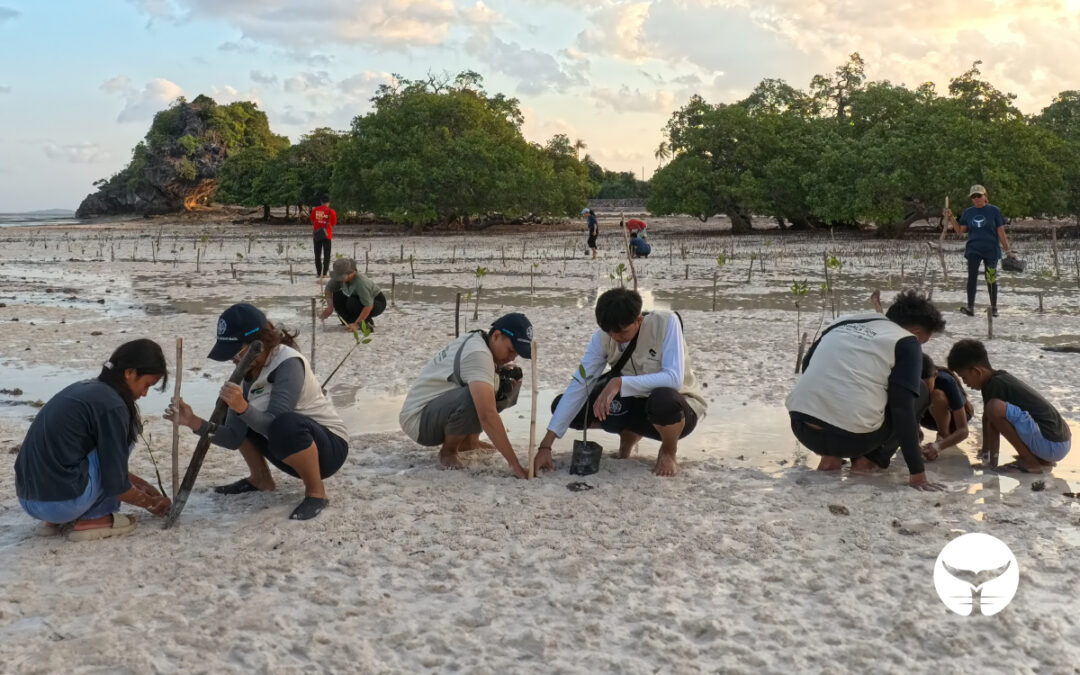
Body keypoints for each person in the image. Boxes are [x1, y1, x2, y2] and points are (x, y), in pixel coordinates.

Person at [166, 303, 350, 520]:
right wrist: (193, 422)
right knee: (228, 408)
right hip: (287, 450)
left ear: (258, 344)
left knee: (284, 422)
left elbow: (276, 425)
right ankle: (260, 479)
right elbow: (234, 438)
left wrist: (243, 407)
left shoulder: (287, 362)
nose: (234, 360)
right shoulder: (247, 372)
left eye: (237, 352)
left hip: (327, 450)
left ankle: (316, 492)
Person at [535, 288, 707, 477]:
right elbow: (580, 385)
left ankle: (668, 450)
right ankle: (628, 437)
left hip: (678, 410)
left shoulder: (666, 323)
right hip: (634, 406)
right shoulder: (602, 338)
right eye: (609, 332)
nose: (615, 337)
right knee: (565, 406)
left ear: (639, 320)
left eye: (622, 332)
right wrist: (546, 445)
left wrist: (620, 383)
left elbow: (673, 378)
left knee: (663, 398)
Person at [786, 290, 947, 491]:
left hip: (802, 427)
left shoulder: (842, 323)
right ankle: (867, 463)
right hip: (852, 440)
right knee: (920, 391)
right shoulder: (907, 341)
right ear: (915, 333)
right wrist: (917, 473)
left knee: (846, 385)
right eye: (924, 341)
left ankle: (830, 460)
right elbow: (902, 409)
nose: (920, 346)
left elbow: (808, 366)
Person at [15, 339, 172, 541]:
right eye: (146, 385)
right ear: (130, 372)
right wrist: (151, 503)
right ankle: (94, 519)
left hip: (29, 501)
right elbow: (115, 481)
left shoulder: (84, 388)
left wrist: (144, 486)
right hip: (61, 504)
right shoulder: (113, 406)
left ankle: (53, 522)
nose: (144, 393)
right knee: (131, 428)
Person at [399, 313, 533, 477]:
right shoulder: (478, 354)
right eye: (511, 350)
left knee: (510, 377)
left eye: (517, 353)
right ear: (497, 335)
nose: (512, 357)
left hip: (440, 406)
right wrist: (515, 464)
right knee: (476, 395)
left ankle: (470, 442)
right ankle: (448, 452)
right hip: (419, 421)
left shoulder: (483, 338)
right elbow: (487, 414)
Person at [947, 339, 1071, 473]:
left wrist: (990, 463)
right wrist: (985, 451)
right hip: (1061, 442)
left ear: (977, 372)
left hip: (1050, 443)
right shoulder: (998, 378)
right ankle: (1040, 459)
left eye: (964, 377)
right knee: (993, 410)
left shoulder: (994, 384)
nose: (965, 383)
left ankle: (1031, 463)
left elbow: (991, 418)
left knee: (994, 408)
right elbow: (986, 419)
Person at [944, 185, 1011, 317]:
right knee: (972, 277)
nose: (976, 199)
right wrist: (951, 217)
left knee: (990, 277)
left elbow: (1001, 231)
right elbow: (960, 231)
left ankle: (994, 308)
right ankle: (970, 307)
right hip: (974, 249)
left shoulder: (994, 211)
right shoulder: (968, 212)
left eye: (979, 196)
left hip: (991, 249)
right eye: (973, 197)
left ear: (985, 196)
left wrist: (1007, 250)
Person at [919, 354, 973, 462]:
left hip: (953, 419)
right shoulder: (904, 379)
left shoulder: (946, 380)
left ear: (935, 375)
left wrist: (938, 446)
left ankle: (943, 435)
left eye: (927, 387)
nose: (924, 391)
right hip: (926, 417)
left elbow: (963, 430)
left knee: (936, 395)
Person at [319, 257, 386, 333]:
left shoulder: (361, 282)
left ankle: (364, 321)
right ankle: (349, 321)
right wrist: (330, 307)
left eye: (342, 276)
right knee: (337, 295)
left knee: (352, 302)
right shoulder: (338, 277)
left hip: (376, 302)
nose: (339, 279)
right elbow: (328, 290)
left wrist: (356, 324)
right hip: (356, 298)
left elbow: (368, 305)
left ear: (352, 272)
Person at [310, 194, 337, 281]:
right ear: (328, 203)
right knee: (327, 255)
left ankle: (318, 273)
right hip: (327, 235)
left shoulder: (315, 210)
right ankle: (324, 274)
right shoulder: (331, 211)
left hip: (317, 235)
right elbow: (334, 223)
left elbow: (312, 220)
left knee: (317, 255)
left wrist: (319, 222)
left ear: (321, 202)